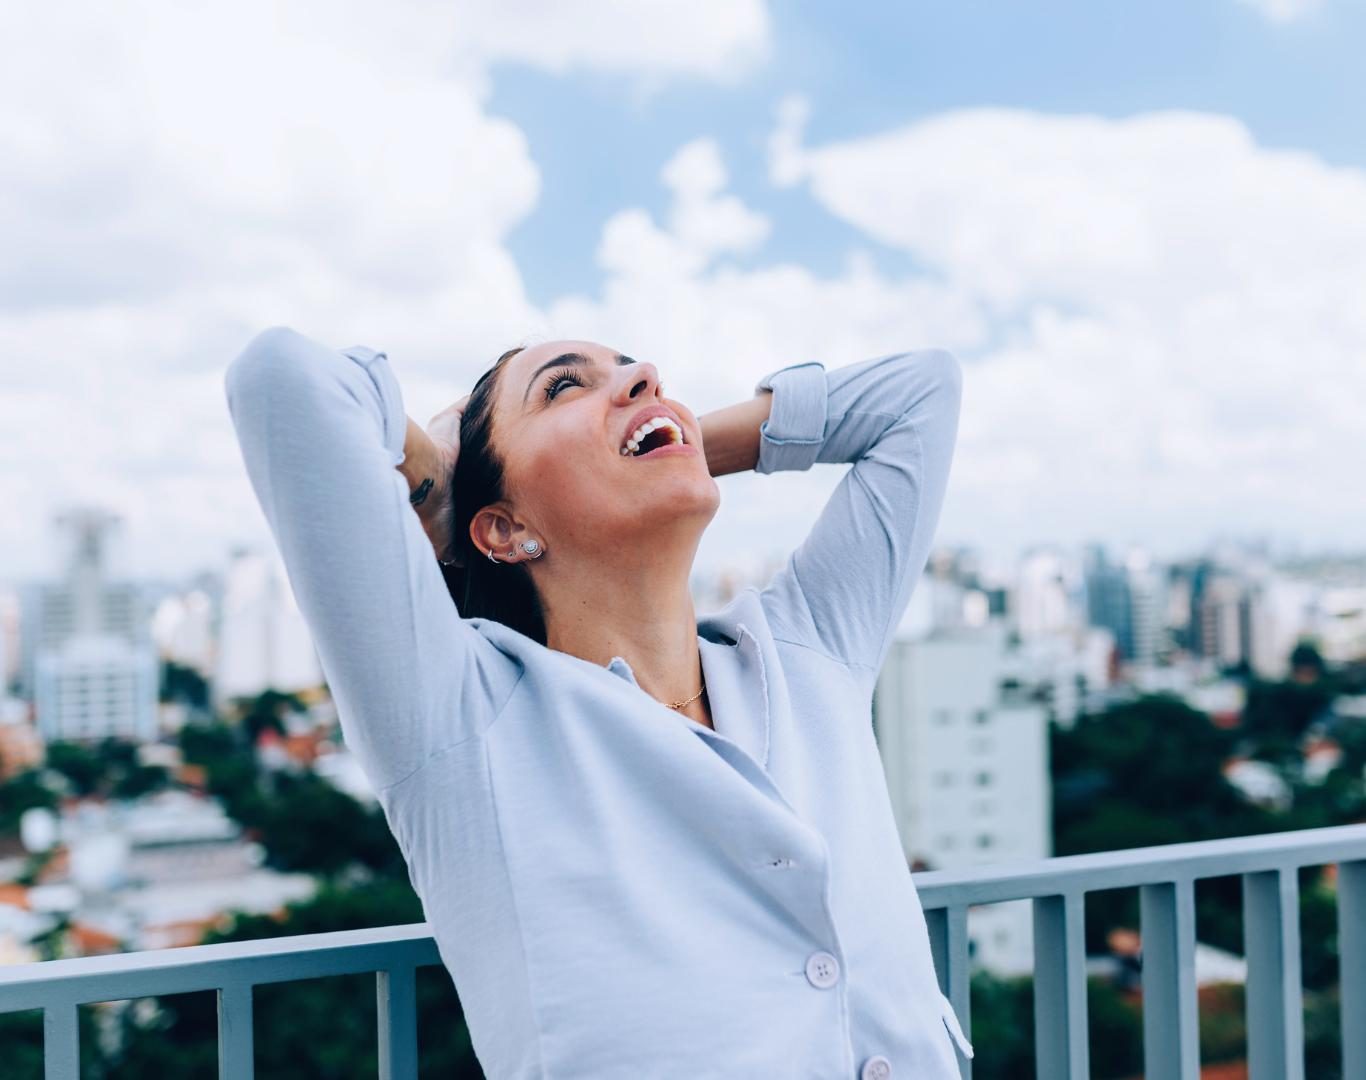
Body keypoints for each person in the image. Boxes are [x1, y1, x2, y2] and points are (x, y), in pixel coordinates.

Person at [224, 326, 970, 1079]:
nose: (646, 373)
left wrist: (667, 439)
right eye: (562, 386)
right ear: (505, 529)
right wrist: (439, 483)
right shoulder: (463, 721)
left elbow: (922, 391)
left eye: (634, 370)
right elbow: (282, 381)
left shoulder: (808, 650)